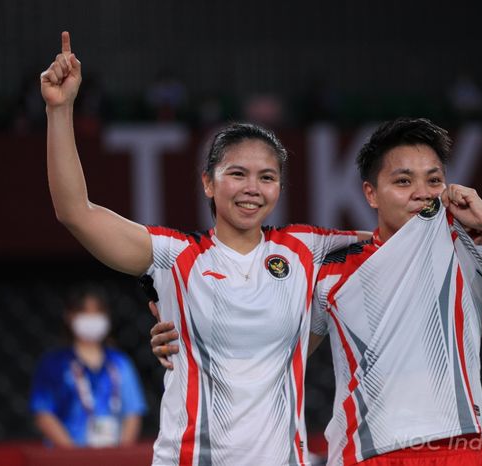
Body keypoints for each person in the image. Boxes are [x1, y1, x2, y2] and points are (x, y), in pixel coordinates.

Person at [151, 117, 482, 465]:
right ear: (370, 193)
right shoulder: (331, 269)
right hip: (364, 454)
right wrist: (191, 340)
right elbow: (277, 353)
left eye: (434, 181)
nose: (422, 193)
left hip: (456, 447)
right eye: (403, 181)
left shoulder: (465, 243)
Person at [41, 31, 367, 465]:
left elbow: (399, 236)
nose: (252, 189)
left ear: (280, 188)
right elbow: (75, 213)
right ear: (208, 183)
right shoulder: (175, 256)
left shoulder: (306, 247)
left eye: (267, 178)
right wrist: (59, 109)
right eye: (237, 174)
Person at [30, 285, 146, 447]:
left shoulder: (120, 362)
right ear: (69, 316)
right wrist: (75, 456)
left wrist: (121, 456)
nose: (91, 318)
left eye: (98, 312)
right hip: (66, 458)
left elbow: (133, 413)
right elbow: (43, 413)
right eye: (84, 312)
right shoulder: (53, 363)